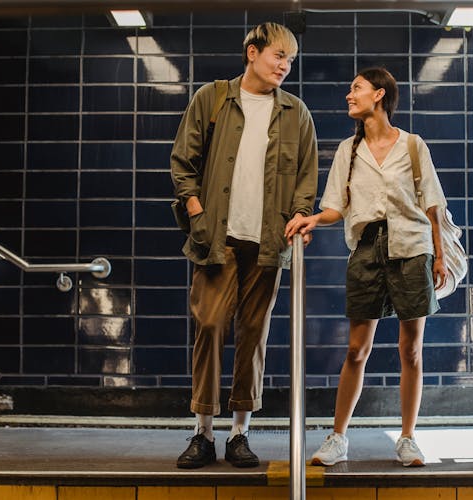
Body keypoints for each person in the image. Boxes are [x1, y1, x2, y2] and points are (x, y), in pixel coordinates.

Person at [170, 22, 318, 469]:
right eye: (278, 55)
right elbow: (182, 162)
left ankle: (239, 432)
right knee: (210, 327)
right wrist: (196, 211)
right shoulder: (212, 98)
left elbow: (306, 180)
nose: (284, 66)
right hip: (218, 237)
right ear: (251, 53)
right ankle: (202, 433)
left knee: (253, 335)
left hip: (269, 242)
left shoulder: (296, 112)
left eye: (290, 60)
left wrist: (299, 216)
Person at [285, 67, 447, 467]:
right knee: (357, 349)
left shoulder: (412, 145)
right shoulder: (348, 150)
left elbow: (432, 205)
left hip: (412, 248)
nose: (348, 95)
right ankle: (338, 437)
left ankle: (408, 438)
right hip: (366, 249)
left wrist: (439, 255)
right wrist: (312, 220)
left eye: (355, 88)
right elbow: (336, 207)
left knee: (410, 349)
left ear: (379, 94)